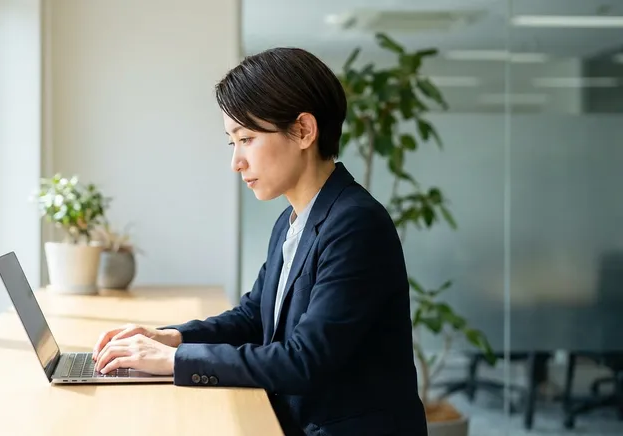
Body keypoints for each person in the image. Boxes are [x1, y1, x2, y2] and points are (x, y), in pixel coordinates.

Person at [91, 47, 427, 435]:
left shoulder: (355, 224)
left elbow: (304, 361)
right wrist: (171, 337)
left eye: (246, 138)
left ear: (303, 131)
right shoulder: (292, 221)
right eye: (231, 142)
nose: (236, 161)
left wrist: (176, 359)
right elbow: (254, 317)